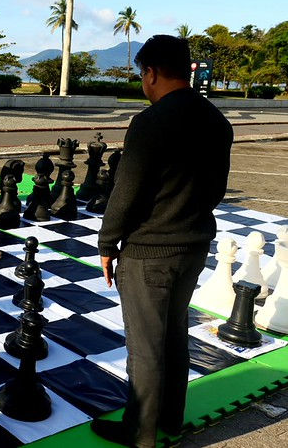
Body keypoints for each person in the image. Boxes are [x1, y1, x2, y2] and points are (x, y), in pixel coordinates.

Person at [93, 35, 233, 448]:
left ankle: (141, 434)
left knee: (145, 347)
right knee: (173, 336)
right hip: (193, 245)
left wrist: (107, 243)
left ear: (151, 72)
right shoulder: (216, 121)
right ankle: (170, 418)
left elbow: (126, 191)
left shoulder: (151, 121)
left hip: (149, 251)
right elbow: (217, 190)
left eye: (141, 74)